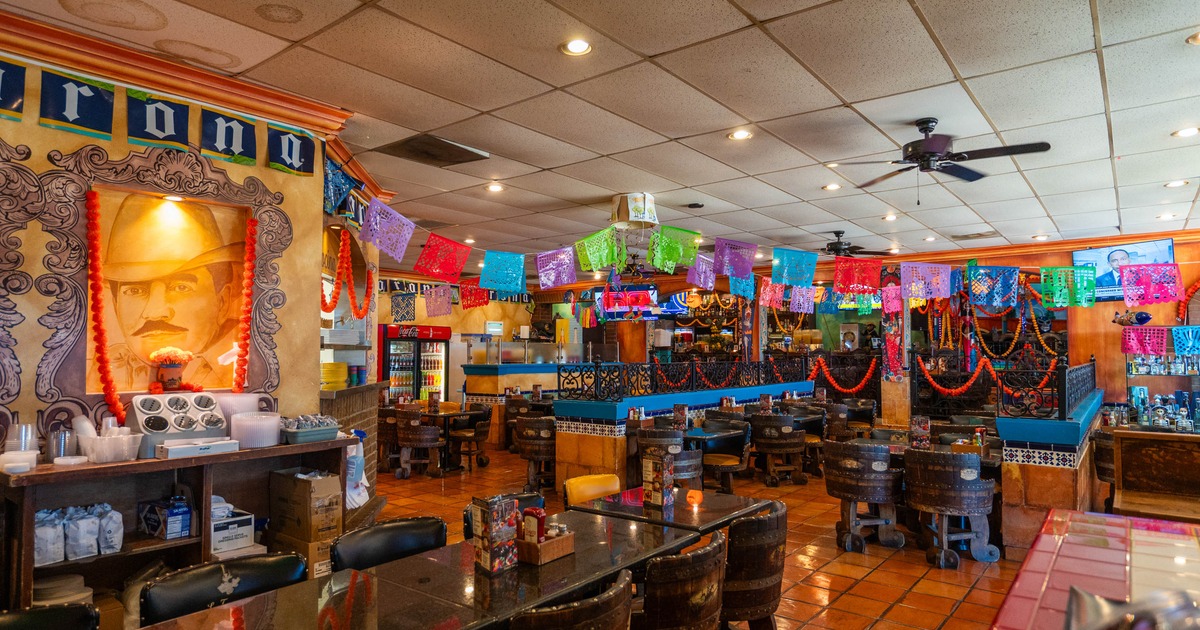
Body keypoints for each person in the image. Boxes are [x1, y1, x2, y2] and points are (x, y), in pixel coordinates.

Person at [90, 194, 244, 391]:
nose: (154, 312)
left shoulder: (232, 366)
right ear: (115, 302)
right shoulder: (111, 365)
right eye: (135, 290)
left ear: (222, 301)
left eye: (180, 287)